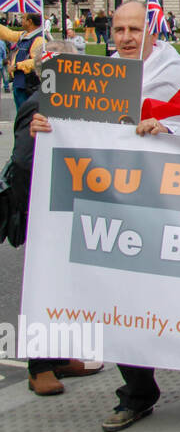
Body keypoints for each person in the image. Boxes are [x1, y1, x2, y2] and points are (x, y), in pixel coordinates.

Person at [31, 3, 180, 431]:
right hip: (120, 213)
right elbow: (77, 132)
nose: (126, 37)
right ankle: (138, 394)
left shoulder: (178, 73)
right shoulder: (100, 78)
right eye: (118, 29)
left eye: (134, 29)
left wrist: (170, 131)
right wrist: (45, 126)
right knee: (122, 299)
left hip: (173, 211)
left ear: (152, 32)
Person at [12, 39, 105, 395]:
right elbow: (22, 162)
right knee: (46, 283)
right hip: (44, 208)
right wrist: (28, 210)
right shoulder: (36, 106)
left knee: (71, 284)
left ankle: (62, 355)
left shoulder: (85, 106)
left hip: (77, 203)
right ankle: (40, 367)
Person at [0, 13, 45, 109]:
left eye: (23, 18)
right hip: (19, 82)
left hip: (27, 84)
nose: (21, 20)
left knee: (26, 115)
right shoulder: (25, 35)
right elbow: (9, 34)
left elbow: (38, 61)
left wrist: (17, 66)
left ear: (30, 22)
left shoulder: (38, 39)